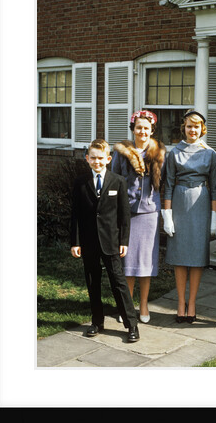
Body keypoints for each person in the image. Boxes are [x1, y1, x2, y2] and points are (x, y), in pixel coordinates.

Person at [70, 138, 140, 343]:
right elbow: (75, 214)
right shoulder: (80, 183)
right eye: (93, 158)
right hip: (89, 241)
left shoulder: (117, 181)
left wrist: (124, 241)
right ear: (87, 159)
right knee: (93, 282)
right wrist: (75, 242)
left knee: (118, 282)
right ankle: (97, 321)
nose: (97, 162)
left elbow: (124, 215)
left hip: (111, 241)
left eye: (101, 158)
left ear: (108, 159)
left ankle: (131, 324)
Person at [162, 109, 216, 323]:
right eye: (189, 126)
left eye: (196, 126)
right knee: (179, 257)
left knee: (196, 258)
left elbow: (215, 187)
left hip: (201, 203)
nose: (192, 130)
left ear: (202, 129)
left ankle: (192, 303)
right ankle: (180, 303)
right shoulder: (174, 152)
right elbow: (167, 185)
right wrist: (167, 215)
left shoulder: (210, 153)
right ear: (183, 128)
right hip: (178, 202)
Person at [111, 110, 166, 324]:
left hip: (150, 212)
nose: (142, 131)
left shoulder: (160, 153)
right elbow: (114, 181)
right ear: (133, 129)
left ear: (152, 130)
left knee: (145, 262)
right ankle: (127, 306)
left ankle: (143, 305)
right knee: (127, 262)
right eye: (138, 127)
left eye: (146, 128)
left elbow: (166, 181)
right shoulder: (122, 152)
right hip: (127, 212)